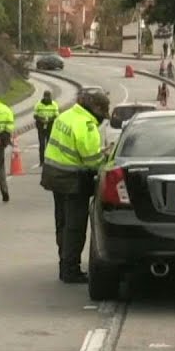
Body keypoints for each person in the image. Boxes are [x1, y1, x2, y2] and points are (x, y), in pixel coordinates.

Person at [40, 88, 111, 284]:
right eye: (102, 115)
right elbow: (92, 161)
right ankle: (71, 270)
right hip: (73, 180)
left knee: (62, 222)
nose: (102, 120)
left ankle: (63, 264)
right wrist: (105, 157)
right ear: (96, 109)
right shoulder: (86, 125)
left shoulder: (67, 115)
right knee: (75, 227)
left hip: (54, 176)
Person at [33, 91, 60, 165]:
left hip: (50, 125)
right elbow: (35, 115)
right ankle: (42, 161)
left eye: (49, 97)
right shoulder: (38, 104)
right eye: (46, 96)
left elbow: (56, 115)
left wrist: (49, 120)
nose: (47, 98)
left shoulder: (54, 104)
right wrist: (41, 120)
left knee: (49, 144)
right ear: (43, 96)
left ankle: (48, 161)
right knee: (42, 144)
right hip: (41, 126)